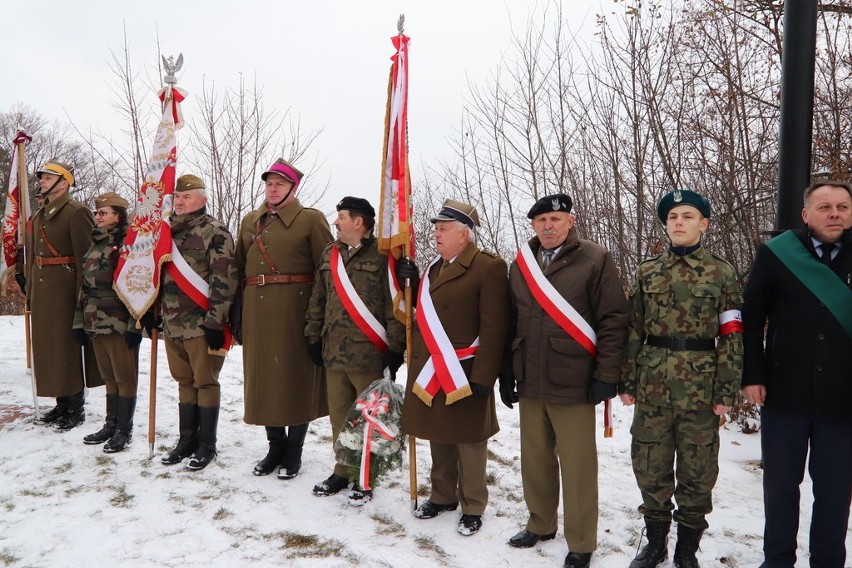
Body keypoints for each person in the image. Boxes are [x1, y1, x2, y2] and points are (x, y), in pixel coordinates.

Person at [501, 193, 629, 568]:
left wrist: (607, 375)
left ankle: (581, 541)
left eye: (556, 219)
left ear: (570, 222)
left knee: (577, 465)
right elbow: (513, 320)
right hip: (530, 375)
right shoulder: (521, 265)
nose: (549, 226)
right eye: (541, 221)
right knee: (535, 458)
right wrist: (507, 371)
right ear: (533, 225)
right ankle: (540, 523)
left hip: (573, 378)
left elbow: (613, 319)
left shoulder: (594, 259)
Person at [619, 189, 743, 567]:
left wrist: (727, 388)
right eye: (673, 217)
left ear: (703, 224)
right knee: (650, 467)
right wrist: (627, 381)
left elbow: (732, 333)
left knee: (698, 471)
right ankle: (655, 543)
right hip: (653, 385)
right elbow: (633, 329)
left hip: (701, 390)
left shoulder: (722, 273)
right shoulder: (647, 271)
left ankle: (686, 548)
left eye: (687, 216)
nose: (679, 223)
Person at [741, 180, 852, 568]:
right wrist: (751, 375)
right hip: (783, 393)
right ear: (806, 215)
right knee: (781, 487)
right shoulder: (776, 255)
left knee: (836, 492)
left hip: (843, 399)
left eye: (842, 206)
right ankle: (777, 561)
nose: (834, 213)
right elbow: (752, 319)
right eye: (824, 207)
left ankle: (828, 562)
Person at [397, 199, 510, 537]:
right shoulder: (434, 267)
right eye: (436, 228)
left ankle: (473, 504)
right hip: (433, 366)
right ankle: (443, 495)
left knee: (469, 440)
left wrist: (485, 375)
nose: (437, 234)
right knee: (438, 433)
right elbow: (426, 311)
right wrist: (412, 282)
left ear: (465, 235)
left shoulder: (487, 267)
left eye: (443, 228)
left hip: (466, 368)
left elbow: (495, 326)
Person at [234, 158, 332, 480]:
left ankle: (294, 452)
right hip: (257, 313)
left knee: (295, 380)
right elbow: (237, 269)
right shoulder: (250, 221)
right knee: (264, 381)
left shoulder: (311, 220)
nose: (272, 189)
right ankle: (275, 447)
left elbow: (326, 272)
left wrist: (318, 320)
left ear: (293, 187)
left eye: (279, 183)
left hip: (296, 312)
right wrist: (236, 315)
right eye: (269, 183)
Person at [305, 196, 406, 504]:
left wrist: (395, 347)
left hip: (368, 355)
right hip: (333, 351)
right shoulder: (329, 254)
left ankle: (365, 476)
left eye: (342, 217)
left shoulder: (383, 256)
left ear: (359, 222)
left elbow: (395, 306)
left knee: (369, 420)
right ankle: (342, 470)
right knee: (339, 417)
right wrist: (312, 336)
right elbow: (317, 299)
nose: (336, 222)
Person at [159, 174, 238, 471]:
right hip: (172, 322)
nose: (180, 201)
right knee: (184, 382)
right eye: (177, 197)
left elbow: (225, 280)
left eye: (187, 197)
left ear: (203, 201)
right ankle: (186, 441)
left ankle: (207, 445)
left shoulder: (214, 232)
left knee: (204, 382)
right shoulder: (166, 232)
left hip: (202, 325)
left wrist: (216, 322)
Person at [27, 159, 102, 431]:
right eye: (42, 178)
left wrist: (84, 296)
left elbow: (86, 258)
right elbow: (34, 255)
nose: (42, 182)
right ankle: (61, 403)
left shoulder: (76, 212)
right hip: (44, 290)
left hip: (67, 291)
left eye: (48, 177)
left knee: (68, 346)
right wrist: (30, 288)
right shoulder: (40, 214)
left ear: (64, 182)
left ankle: (76, 406)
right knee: (49, 348)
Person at [73, 192, 142, 452]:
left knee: (125, 377)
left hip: (119, 319)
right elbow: (84, 286)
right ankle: (110, 424)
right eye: (97, 212)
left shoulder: (130, 244)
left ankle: (124, 430)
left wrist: (136, 326)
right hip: (94, 318)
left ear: (119, 216)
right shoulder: (96, 242)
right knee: (109, 376)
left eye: (104, 213)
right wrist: (78, 322)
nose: (98, 217)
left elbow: (139, 287)